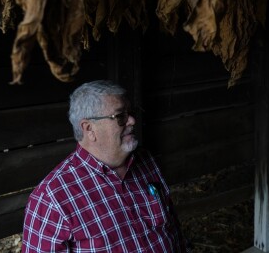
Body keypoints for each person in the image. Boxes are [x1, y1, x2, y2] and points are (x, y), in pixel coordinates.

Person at [22, 80, 187, 252]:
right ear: (89, 129)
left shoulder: (145, 161)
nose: (132, 120)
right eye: (120, 116)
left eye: (130, 113)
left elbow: (173, 230)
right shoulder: (51, 199)